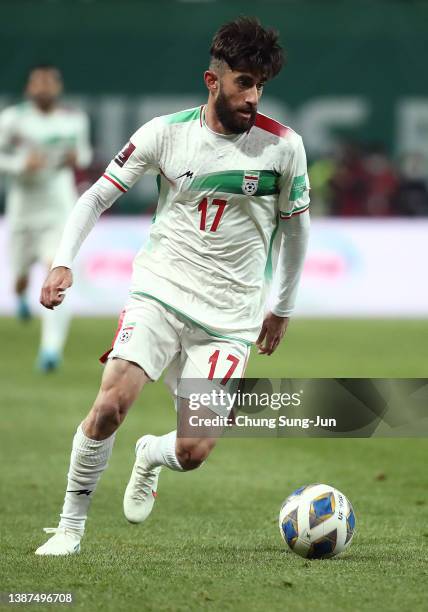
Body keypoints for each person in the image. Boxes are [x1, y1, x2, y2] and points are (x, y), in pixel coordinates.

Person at [35, 17, 310, 555]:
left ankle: (149, 456)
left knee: (193, 451)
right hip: (159, 293)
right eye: (243, 83)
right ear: (213, 81)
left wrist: (281, 307)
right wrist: (62, 261)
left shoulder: (284, 148)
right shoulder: (165, 133)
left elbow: (297, 231)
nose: (254, 95)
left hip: (230, 318)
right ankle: (69, 528)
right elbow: (94, 197)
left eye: (261, 85)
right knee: (111, 403)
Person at [0, 64, 92, 371]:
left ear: (58, 86)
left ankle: (51, 349)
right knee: (21, 273)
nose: (44, 87)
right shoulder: (13, 119)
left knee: (55, 269)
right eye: (38, 82)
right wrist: (20, 164)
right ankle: (21, 292)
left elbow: (85, 153)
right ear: (29, 88)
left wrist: (76, 158)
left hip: (58, 208)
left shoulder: (74, 120)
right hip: (23, 209)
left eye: (50, 81)